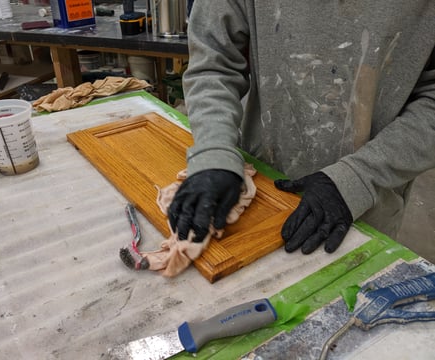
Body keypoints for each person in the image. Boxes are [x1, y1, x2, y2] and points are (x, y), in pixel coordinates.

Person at [167, 0, 435, 255]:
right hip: (264, 188)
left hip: (367, 202)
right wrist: (214, 149)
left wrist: (360, 177)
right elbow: (214, 62)